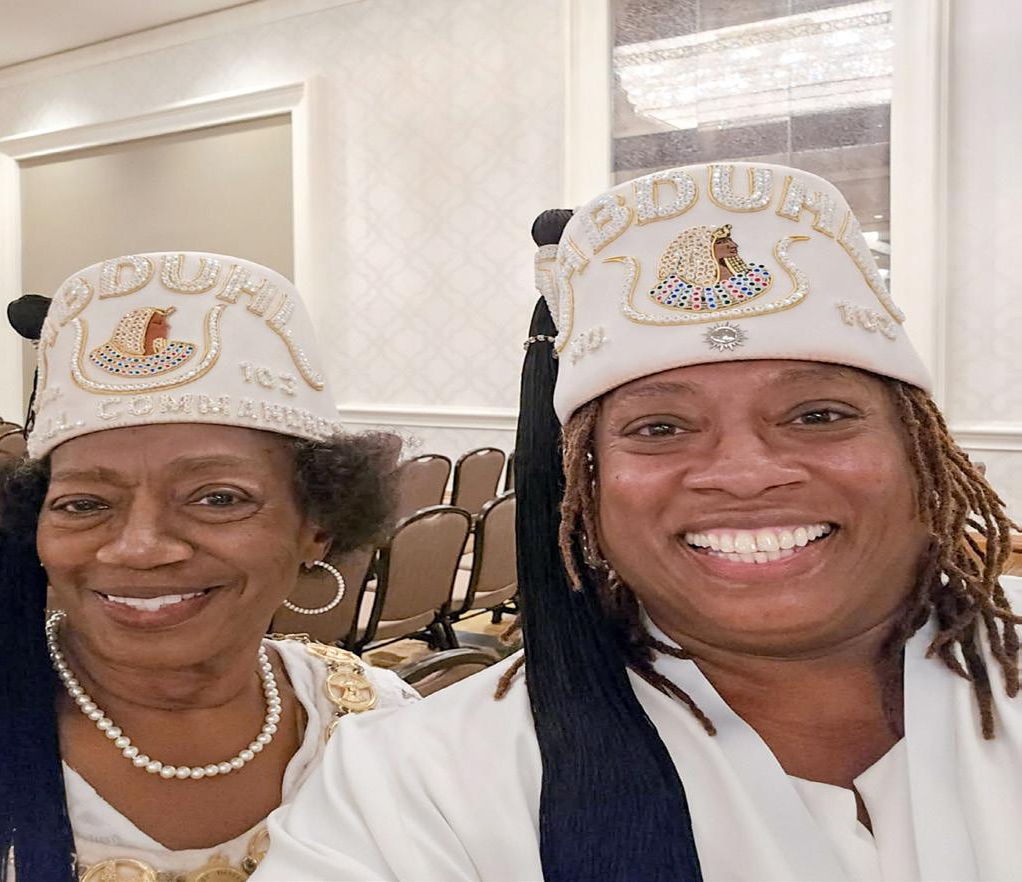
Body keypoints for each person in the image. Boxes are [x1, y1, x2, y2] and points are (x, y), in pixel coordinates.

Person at [255, 163, 1021, 882]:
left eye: (817, 415)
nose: (745, 473)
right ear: (583, 486)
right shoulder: (413, 786)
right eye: (660, 428)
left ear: (923, 453)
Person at [0, 252, 419, 882]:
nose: (138, 548)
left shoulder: (379, 722)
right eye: (84, 504)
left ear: (317, 527)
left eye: (217, 498)